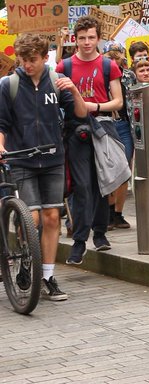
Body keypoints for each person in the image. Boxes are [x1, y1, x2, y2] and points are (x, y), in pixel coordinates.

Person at [0, 33, 88, 301]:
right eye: (23, 60)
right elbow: (1, 124)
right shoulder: (9, 85)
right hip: (21, 158)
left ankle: (47, 275)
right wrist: (1, 147)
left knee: (52, 217)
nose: (27, 65)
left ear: (45, 58)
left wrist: (73, 90)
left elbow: (82, 114)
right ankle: (28, 258)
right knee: (33, 218)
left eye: (32, 60)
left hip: (52, 158)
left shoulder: (55, 81)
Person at [57, 14, 124, 264]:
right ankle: (79, 241)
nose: (87, 42)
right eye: (83, 38)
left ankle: (100, 232)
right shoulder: (64, 66)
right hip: (75, 130)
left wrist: (93, 106)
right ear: (76, 39)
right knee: (83, 186)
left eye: (91, 38)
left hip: (102, 128)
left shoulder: (109, 65)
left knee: (101, 184)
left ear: (98, 38)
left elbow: (118, 101)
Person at [106, 46, 135, 230]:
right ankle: (108, 212)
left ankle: (118, 213)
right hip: (107, 123)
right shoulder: (101, 74)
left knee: (125, 169)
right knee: (109, 169)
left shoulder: (129, 76)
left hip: (125, 124)